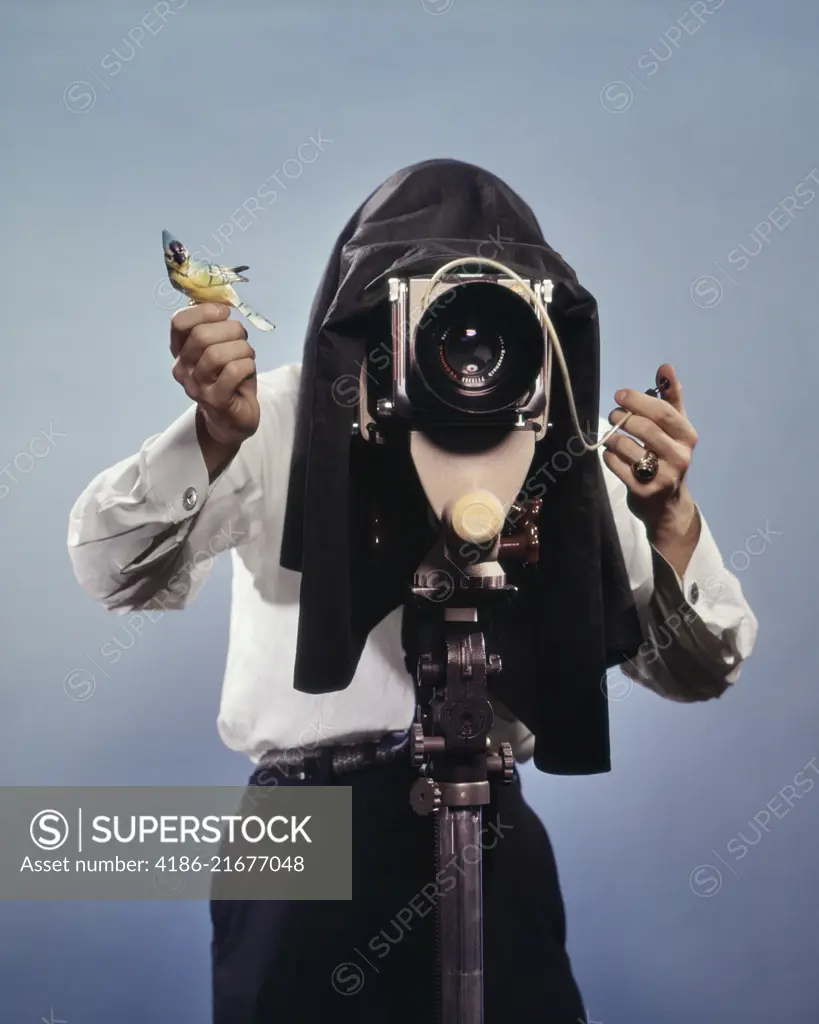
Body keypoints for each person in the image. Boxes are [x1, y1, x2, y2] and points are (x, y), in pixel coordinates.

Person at [67, 160, 758, 1024]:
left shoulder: (563, 433)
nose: (459, 341)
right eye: (431, 305)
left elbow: (700, 670)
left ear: (535, 316)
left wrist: (670, 522)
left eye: (487, 312)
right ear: (370, 306)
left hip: (493, 815)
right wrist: (210, 438)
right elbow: (108, 568)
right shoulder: (275, 412)